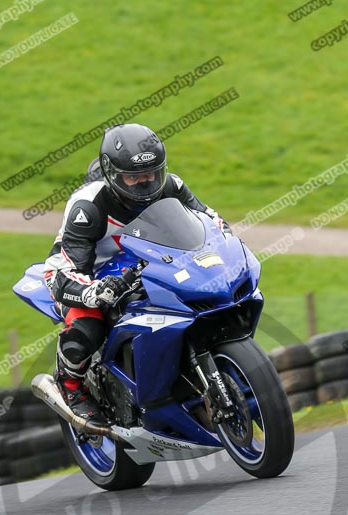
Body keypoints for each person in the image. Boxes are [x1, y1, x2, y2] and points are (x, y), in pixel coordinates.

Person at [43, 122, 230, 424]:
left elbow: (211, 222)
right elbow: (64, 270)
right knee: (88, 326)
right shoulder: (87, 207)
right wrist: (94, 291)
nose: (145, 183)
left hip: (149, 262)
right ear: (113, 175)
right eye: (134, 177)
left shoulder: (172, 187)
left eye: (151, 174)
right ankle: (70, 386)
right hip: (88, 274)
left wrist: (227, 245)